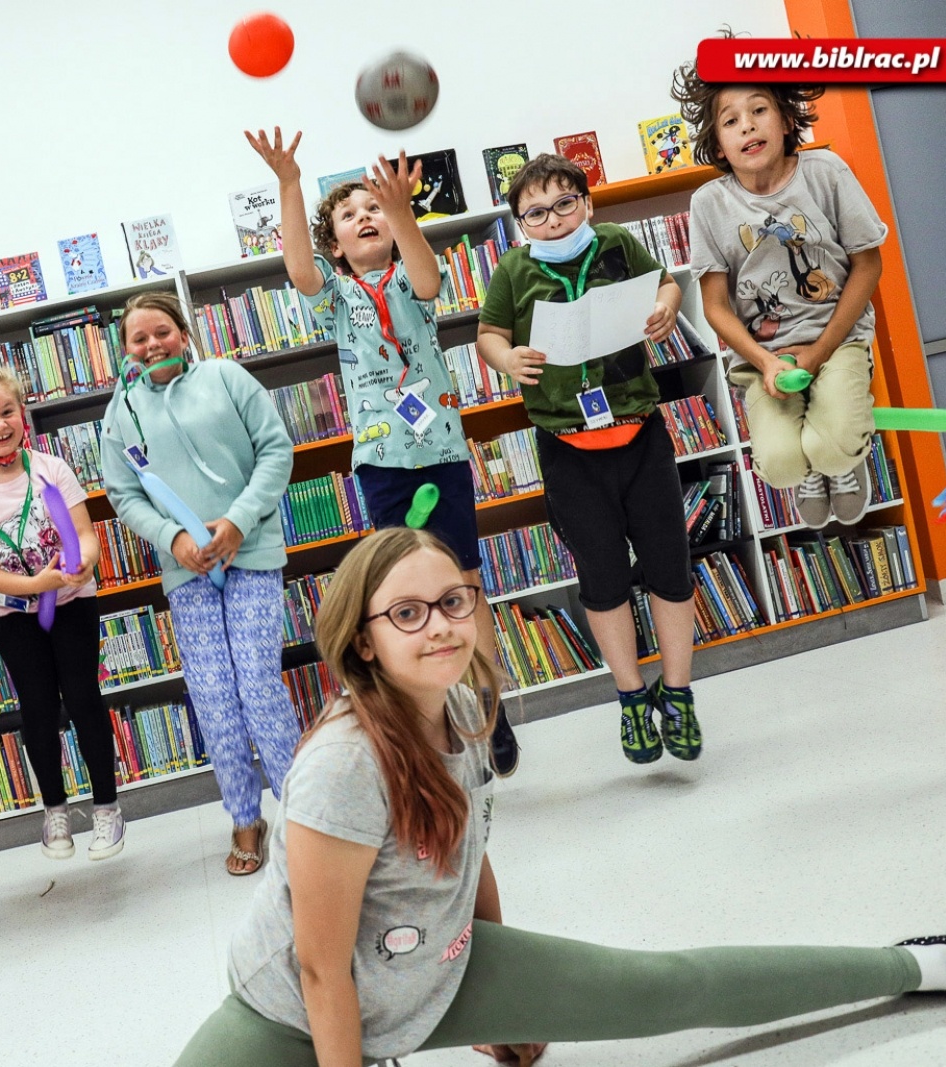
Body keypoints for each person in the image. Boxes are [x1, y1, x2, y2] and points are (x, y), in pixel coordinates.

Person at [172, 526, 946, 1066]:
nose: (439, 625)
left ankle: (937, 962)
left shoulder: (464, 708)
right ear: (362, 641)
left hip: (430, 974)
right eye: (407, 613)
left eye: (453, 601)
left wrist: (506, 997)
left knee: (671, 987)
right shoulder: (341, 766)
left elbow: (468, 856)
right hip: (292, 1018)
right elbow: (320, 967)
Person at [246, 126, 519, 779]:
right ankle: (432, 710)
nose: (364, 216)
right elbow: (299, 270)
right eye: (349, 215)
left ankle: (489, 705)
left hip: (441, 455)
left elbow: (427, 276)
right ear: (337, 247)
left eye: (373, 208)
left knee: (464, 583)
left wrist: (401, 211)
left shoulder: (410, 279)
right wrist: (289, 183)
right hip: (382, 466)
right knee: (410, 590)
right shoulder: (338, 298)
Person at [475, 152, 700, 766]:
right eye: (535, 213)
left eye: (564, 204)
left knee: (669, 564)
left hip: (640, 432)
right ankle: (631, 698)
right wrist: (507, 358)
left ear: (587, 203)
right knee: (602, 577)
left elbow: (666, 283)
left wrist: (667, 306)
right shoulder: (513, 269)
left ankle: (678, 692)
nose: (552, 220)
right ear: (521, 223)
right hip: (568, 447)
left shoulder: (618, 243)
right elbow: (489, 334)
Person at [100, 291, 302, 876]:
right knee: (213, 695)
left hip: (250, 552)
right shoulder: (121, 414)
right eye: (138, 338)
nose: (152, 345)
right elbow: (123, 495)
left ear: (184, 335)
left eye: (162, 332)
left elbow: (275, 451)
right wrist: (173, 539)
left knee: (258, 684)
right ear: (126, 351)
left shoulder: (226, 377)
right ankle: (245, 817)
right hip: (186, 569)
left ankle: (305, 815)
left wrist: (238, 521)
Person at [672, 59, 886, 530]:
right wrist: (766, 363)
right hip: (763, 356)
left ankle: (840, 460)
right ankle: (812, 464)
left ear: (787, 120)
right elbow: (715, 306)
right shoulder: (708, 203)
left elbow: (868, 264)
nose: (747, 126)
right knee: (782, 466)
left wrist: (820, 351)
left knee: (832, 448)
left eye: (759, 110)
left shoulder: (825, 172)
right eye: (731, 120)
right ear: (719, 145)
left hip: (837, 340)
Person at [0, 361, 126, 862]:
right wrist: (31, 586)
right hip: (13, 617)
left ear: (22, 414)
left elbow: (85, 535)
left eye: (7, 411)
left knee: (84, 698)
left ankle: (107, 808)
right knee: (38, 709)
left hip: (72, 605)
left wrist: (83, 563)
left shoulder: (53, 470)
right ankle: (55, 811)